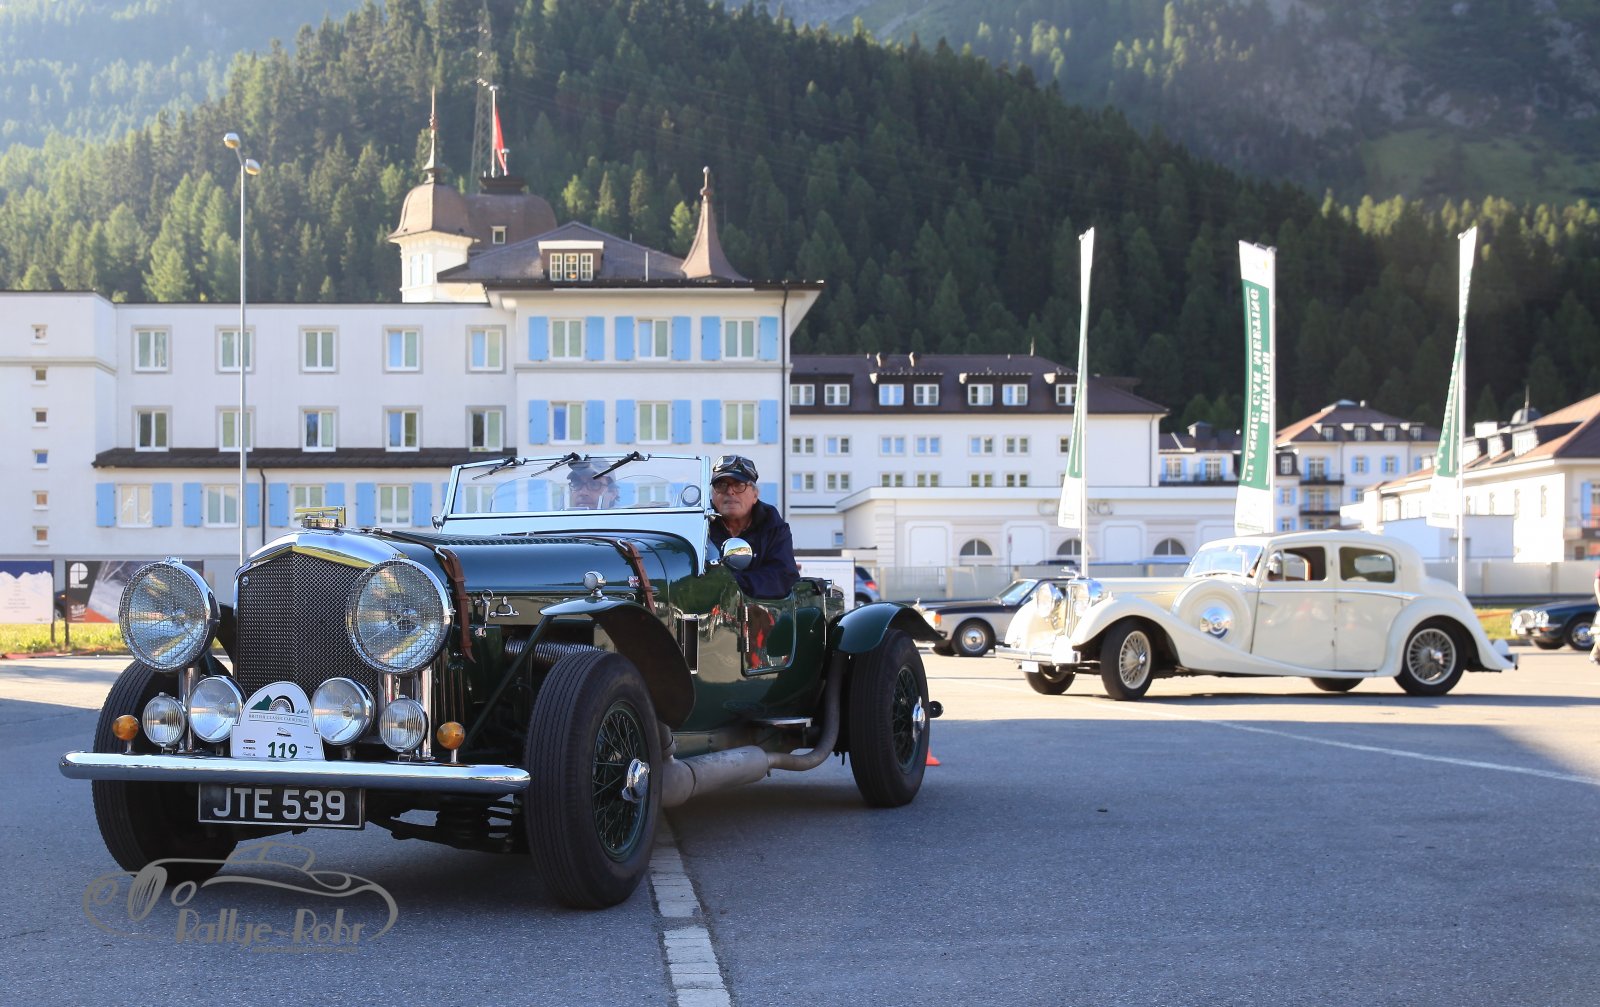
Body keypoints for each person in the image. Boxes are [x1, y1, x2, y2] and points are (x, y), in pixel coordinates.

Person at [707, 455, 798, 598]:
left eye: (739, 485)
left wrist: (731, 583)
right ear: (712, 494)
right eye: (721, 485)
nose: (730, 491)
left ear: (755, 495)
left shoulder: (772, 525)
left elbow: (782, 577)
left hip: (760, 610)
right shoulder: (698, 524)